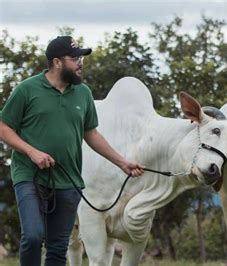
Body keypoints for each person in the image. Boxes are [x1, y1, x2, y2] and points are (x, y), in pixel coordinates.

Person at [0, 36, 145, 265]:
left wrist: (122, 162)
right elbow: (3, 126)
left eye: (82, 58)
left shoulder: (83, 93)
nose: (80, 63)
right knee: (34, 236)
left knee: (58, 248)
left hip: (68, 180)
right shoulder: (27, 90)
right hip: (29, 175)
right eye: (75, 58)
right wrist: (32, 152)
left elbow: (92, 134)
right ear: (57, 62)